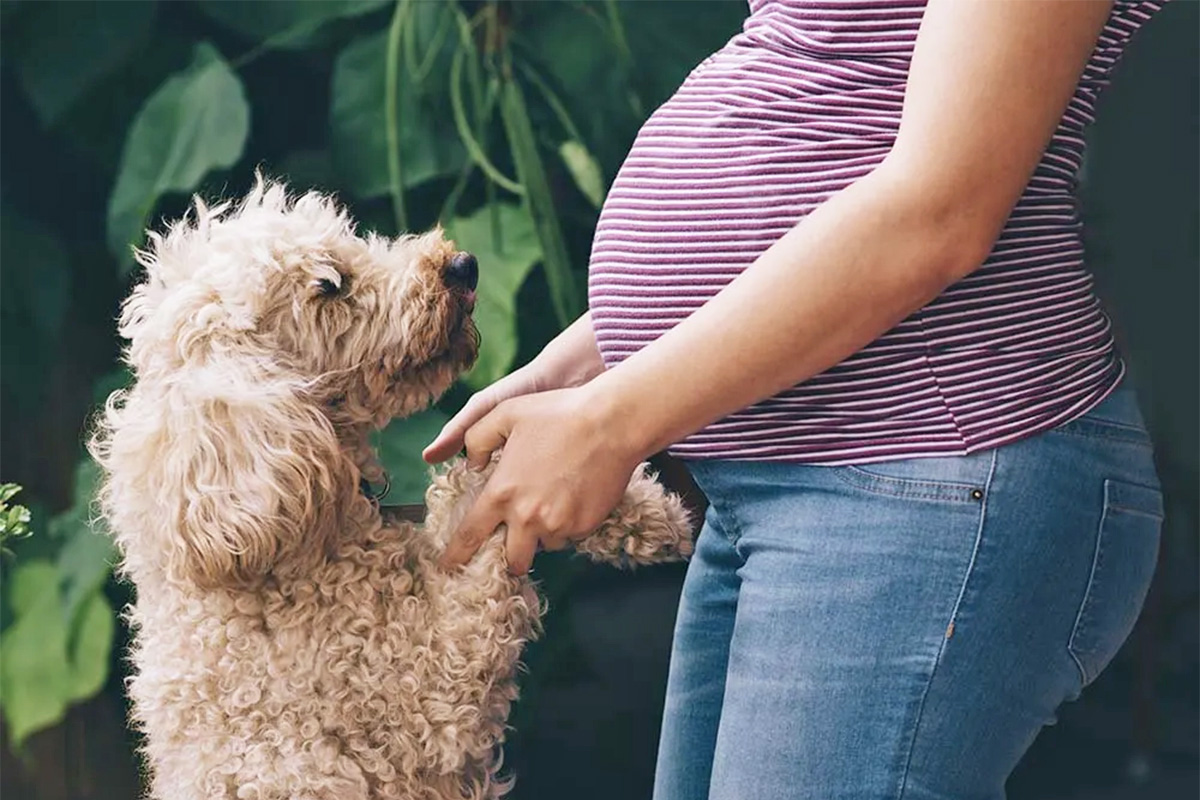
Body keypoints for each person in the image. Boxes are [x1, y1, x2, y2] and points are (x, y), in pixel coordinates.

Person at [424, 1, 1167, 797]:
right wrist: (586, 361)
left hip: (933, 466)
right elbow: (842, 103)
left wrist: (611, 423)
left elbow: (942, 211)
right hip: (800, 485)